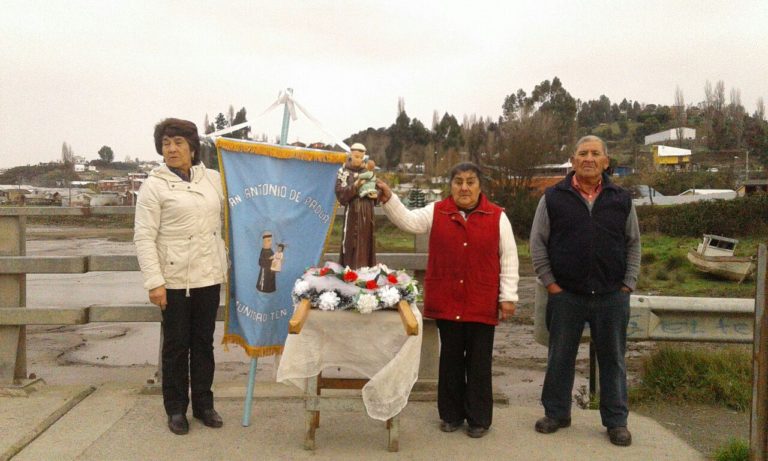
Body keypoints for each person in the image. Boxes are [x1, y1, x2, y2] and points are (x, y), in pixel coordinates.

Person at [376, 162, 519, 439]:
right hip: (448, 300)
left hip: (481, 299)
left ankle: (479, 419)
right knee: (451, 358)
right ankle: (451, 415)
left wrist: (508, 297)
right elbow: (409, 221)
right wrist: (389, 198)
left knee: (479, 361)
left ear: (480, 186)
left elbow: (510, 258)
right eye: (458, 182)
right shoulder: (437, 211)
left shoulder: (498, 216)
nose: (464, 187)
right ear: (450, 185)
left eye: (470, 182)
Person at [530, 135, 641, 447]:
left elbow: (633, 243)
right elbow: (538, 242)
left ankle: (616, 422)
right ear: (573, 160)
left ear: (606, 161)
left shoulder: (621, 198)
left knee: (614, 360)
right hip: (566, 294)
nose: (589, 158)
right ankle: (556, 414)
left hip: (611, 296)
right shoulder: (553, 197)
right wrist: (551, 284)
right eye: (583, 153)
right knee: (559, 356)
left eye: (595, 153)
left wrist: (626, 285)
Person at [134, 118, 227, 435]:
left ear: (192, 147)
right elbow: (144, 237)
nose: (171, 149)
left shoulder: (212, 179)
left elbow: (244, 195)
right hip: (173, 281)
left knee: (204, 344)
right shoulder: (153, 185)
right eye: (166, 144)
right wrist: (154, 282)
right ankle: (176, 410)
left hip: (208, 275)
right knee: (175, 347)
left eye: (178, 143)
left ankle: (204, 405)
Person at [335, 142, 376, 269]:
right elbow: (340, 193)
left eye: (361, 157)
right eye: (356, 156)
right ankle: (350, 271)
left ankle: (366, 270)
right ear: (350, 155)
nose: (358, 159)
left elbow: (377, 186)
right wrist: (356, 185)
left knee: (366, 242)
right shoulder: (343, 172)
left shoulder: (368, 171)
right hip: (352, 212)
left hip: (367, 211)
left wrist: (376, 196)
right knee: (351, 243)